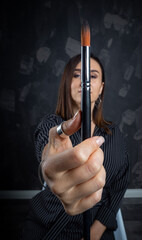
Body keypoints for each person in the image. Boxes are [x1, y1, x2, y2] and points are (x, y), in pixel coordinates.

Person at [21, 54, 129, 240]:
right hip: (47, 227)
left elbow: (118, 188)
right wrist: (48, 166)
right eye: (77, 75)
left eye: (93, 76)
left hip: (95, 230)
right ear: (66, 83)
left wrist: (94, 233)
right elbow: (47, 155)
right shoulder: (51, 125)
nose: (84, 81)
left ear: (101, 87)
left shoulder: (114, 135)